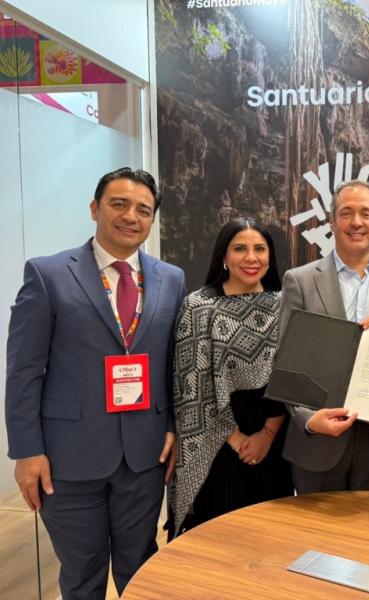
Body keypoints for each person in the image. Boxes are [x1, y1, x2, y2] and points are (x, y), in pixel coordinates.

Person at [5, 168, 186, 599]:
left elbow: (175, 364)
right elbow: (24, 370)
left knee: (141, 567)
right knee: (82, 573)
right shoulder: (48, 274)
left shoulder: (171, 278)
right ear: (95, 208)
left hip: (144, 456)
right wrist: (27, 451)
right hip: (68, 460)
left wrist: (173, 427)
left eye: (143, 209)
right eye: (118, 204)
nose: (131, 217)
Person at [279, 180, 369, 493]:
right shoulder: (300, 281)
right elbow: (284, 361)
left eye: (366, 214)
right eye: (346, 213)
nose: (356, 222)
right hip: (318, 440)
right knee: (316, 525)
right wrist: (307, 419)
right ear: (331, 222)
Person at [169, 218, 293, 537]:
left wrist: (266, 435)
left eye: (259, 249)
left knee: (271, 535)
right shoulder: (199, 307)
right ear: (224, 256)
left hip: (274, 436)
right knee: (217, 537)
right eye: (240, 249)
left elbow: (292, 378)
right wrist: (237, 441)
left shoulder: (285, 305)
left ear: (270, 256)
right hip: (215, 441)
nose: (251, 258)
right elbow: (191, 387)